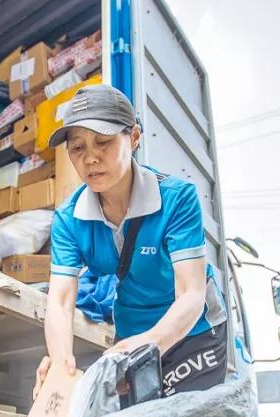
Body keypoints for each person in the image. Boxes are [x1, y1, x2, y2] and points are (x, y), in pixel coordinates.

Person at [35, 84, 229, 399]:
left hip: (194, 330)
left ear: (134, 137)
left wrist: (149, 342)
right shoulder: (68, 220)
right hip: (131, 330)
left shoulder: (177, 199)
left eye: (103, 142)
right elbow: (59, 302)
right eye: (77, 147)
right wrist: (60, 364)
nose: (90, 159)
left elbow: (191, 293)